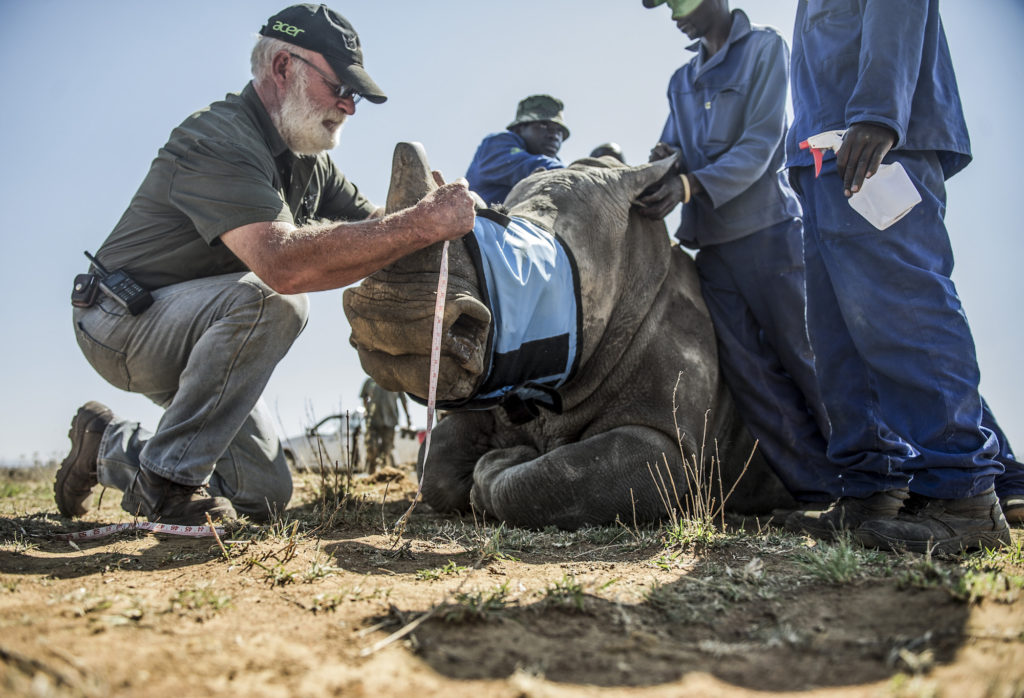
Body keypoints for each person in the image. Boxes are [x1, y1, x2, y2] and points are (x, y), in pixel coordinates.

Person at [55, 4, 475, 526]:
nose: (349, 106)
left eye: (356, 96)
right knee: (275, 299)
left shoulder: (309, 161)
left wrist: (425, 217)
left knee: (262, 495)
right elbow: (283, 267)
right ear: (283, 68)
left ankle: (105, 446)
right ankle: (165, 487)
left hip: (200, 334)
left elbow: (377, 225)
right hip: (123, 324)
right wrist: (419, 224)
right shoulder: (218, 138)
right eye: (339, 87)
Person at [782, 0, 1013, 552]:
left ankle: (963, 496)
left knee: (904, 311)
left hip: (872, 140)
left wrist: (880, 110)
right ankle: (872, 488)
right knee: (839, 338)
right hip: (822, 154)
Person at [635, 0, 836, 503]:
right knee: (751, 376)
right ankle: (818, 493)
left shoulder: (764, 48)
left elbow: (762, 143)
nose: (672, 13)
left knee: (808, 356)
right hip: (714, 251)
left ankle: (876, 482)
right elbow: (672, 147)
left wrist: (688, 185)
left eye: (678, 1)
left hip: (769, 233)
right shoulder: (682, 79)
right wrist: (663, 165)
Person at [465, 95, 570, 206]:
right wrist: (579, 174)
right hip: (478, 220)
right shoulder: (497, 144)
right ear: (519, 129)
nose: (554, 136)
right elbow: (526, 166)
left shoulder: (557, 164)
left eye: (559, 130)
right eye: (544, 125)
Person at [359, 378, 411, 473]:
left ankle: (384, 474)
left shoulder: (396, 381)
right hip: (373, 420)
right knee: (371, 446)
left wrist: (408, 417)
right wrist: (366, 410)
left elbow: (404, 400)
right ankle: (372, 470)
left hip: (390, 420)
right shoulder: (370, 381)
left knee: (387, 449)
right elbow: (364, 396)